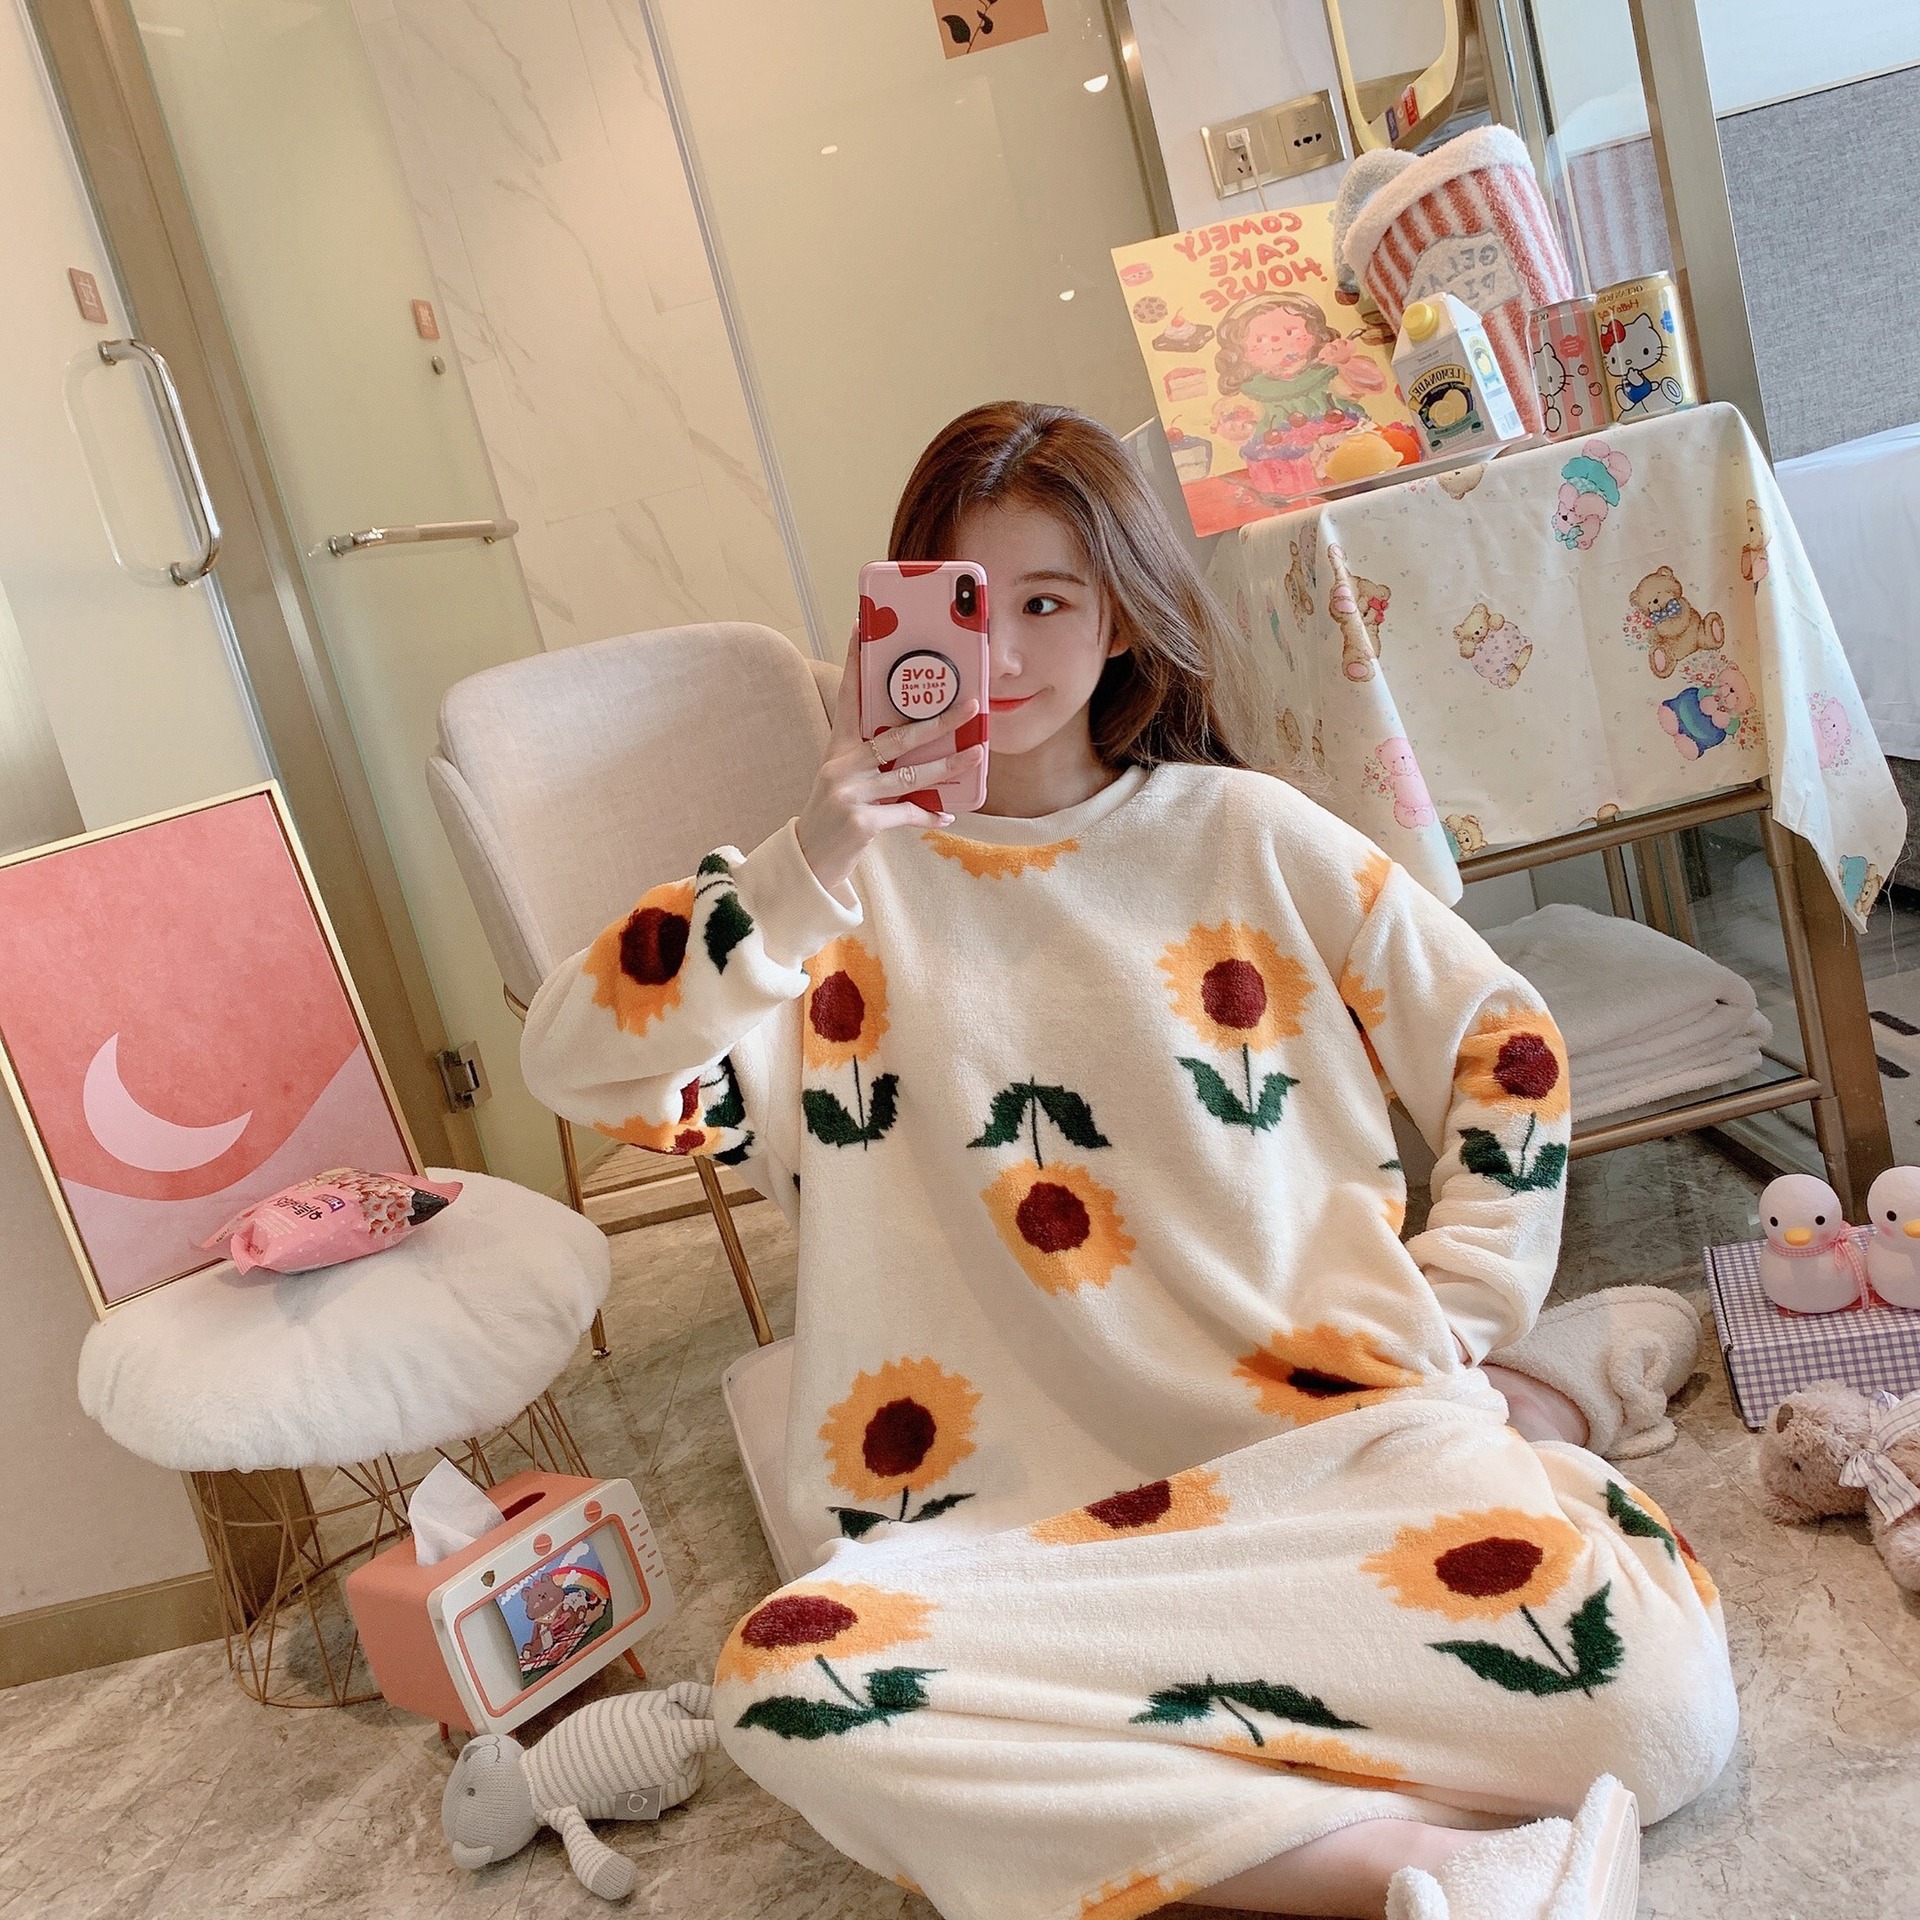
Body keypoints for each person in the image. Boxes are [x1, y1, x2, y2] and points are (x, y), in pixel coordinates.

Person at [521, 403, 1735, 1920]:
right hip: (1020, 1544)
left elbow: (1506, 1044)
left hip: (1330, 1459)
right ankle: (1422, 1869)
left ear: (1122, 618)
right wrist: (807, 860)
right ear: (897, 617)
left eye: (1051, 602)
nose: (1004, 652)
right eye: (968, 603)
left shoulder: (1247, 833)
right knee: (791, 1690)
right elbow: (577, 1059)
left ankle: (1195, 1800)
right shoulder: (820, 898)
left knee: (1659, 1714)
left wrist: (1469, 1302)